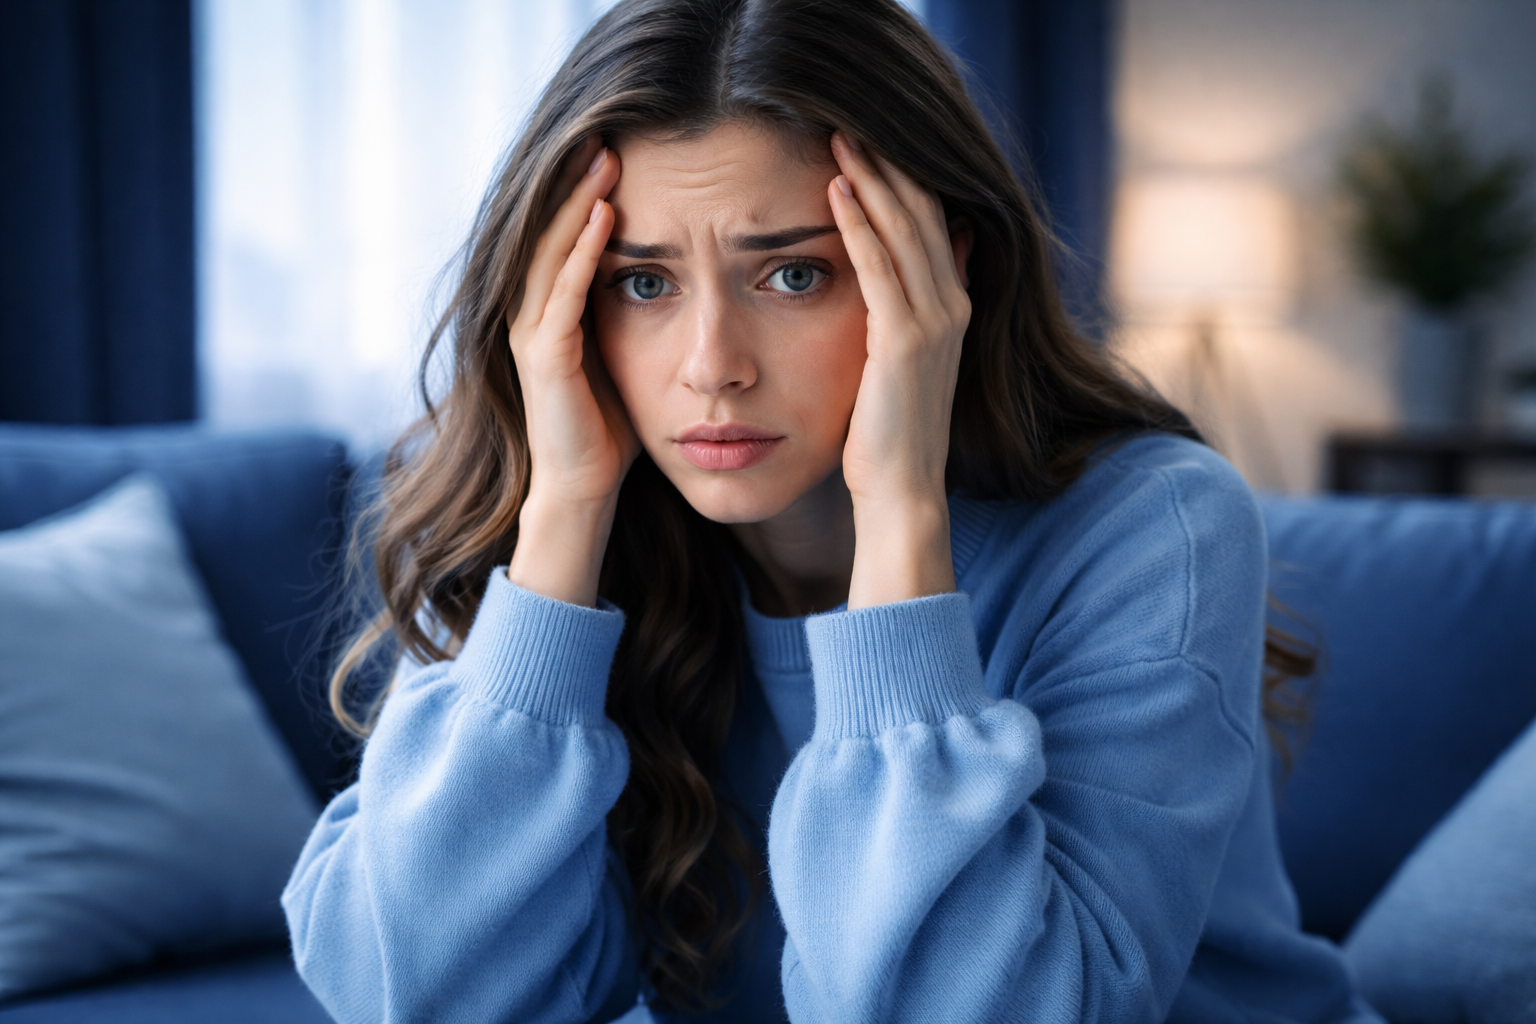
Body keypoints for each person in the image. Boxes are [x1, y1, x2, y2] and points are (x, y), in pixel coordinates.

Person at [283, 1, 1382, 1021]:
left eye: (794, 276)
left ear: (937, 277)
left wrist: (901, 516)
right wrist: (564, 513)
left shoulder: (1155, 524)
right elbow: (414, 991)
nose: (713, 366)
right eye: (643, 283)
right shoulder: (556, 531)